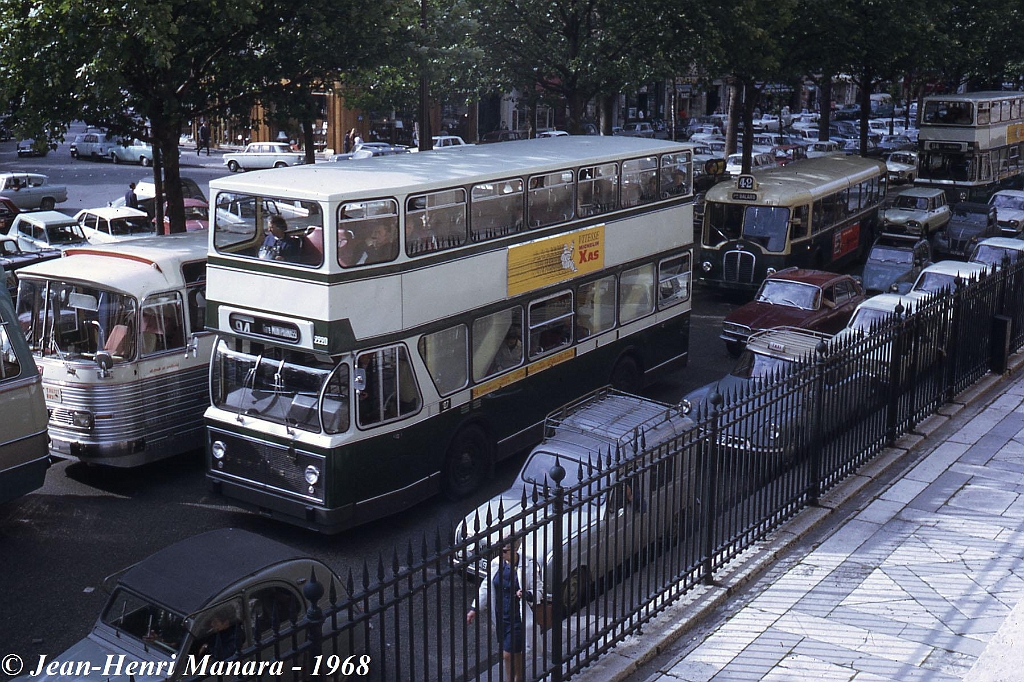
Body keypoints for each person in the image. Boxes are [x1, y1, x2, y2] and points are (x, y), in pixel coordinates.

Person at [466, 540, 536, 682]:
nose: (501, 553)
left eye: (504, 551)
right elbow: (486, 586)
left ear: (515, 549)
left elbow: (538, 590)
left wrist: (527, 594)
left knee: (507, 654)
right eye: (500, 550)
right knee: (514, 653)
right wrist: (475, 608)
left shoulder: (528, 565)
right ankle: (518, 678)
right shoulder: (496, 563)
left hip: (518, 616)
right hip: (501, 616)